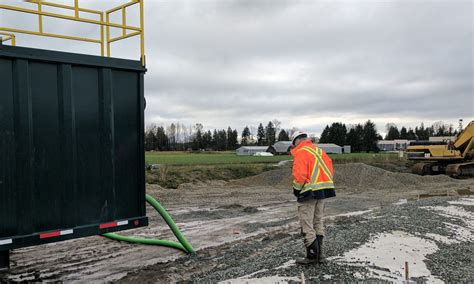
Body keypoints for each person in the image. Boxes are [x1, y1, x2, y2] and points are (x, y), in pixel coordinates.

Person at [290, 131, 336, 265]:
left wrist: (296, 191)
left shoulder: (301, 152)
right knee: (318, 221)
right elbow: (330, 171)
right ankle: (320, 255)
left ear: (297, 141)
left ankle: (312, 256)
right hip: (323, 190)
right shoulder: (319, 151)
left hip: (309, 192)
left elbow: (300, 176)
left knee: (307, 223)